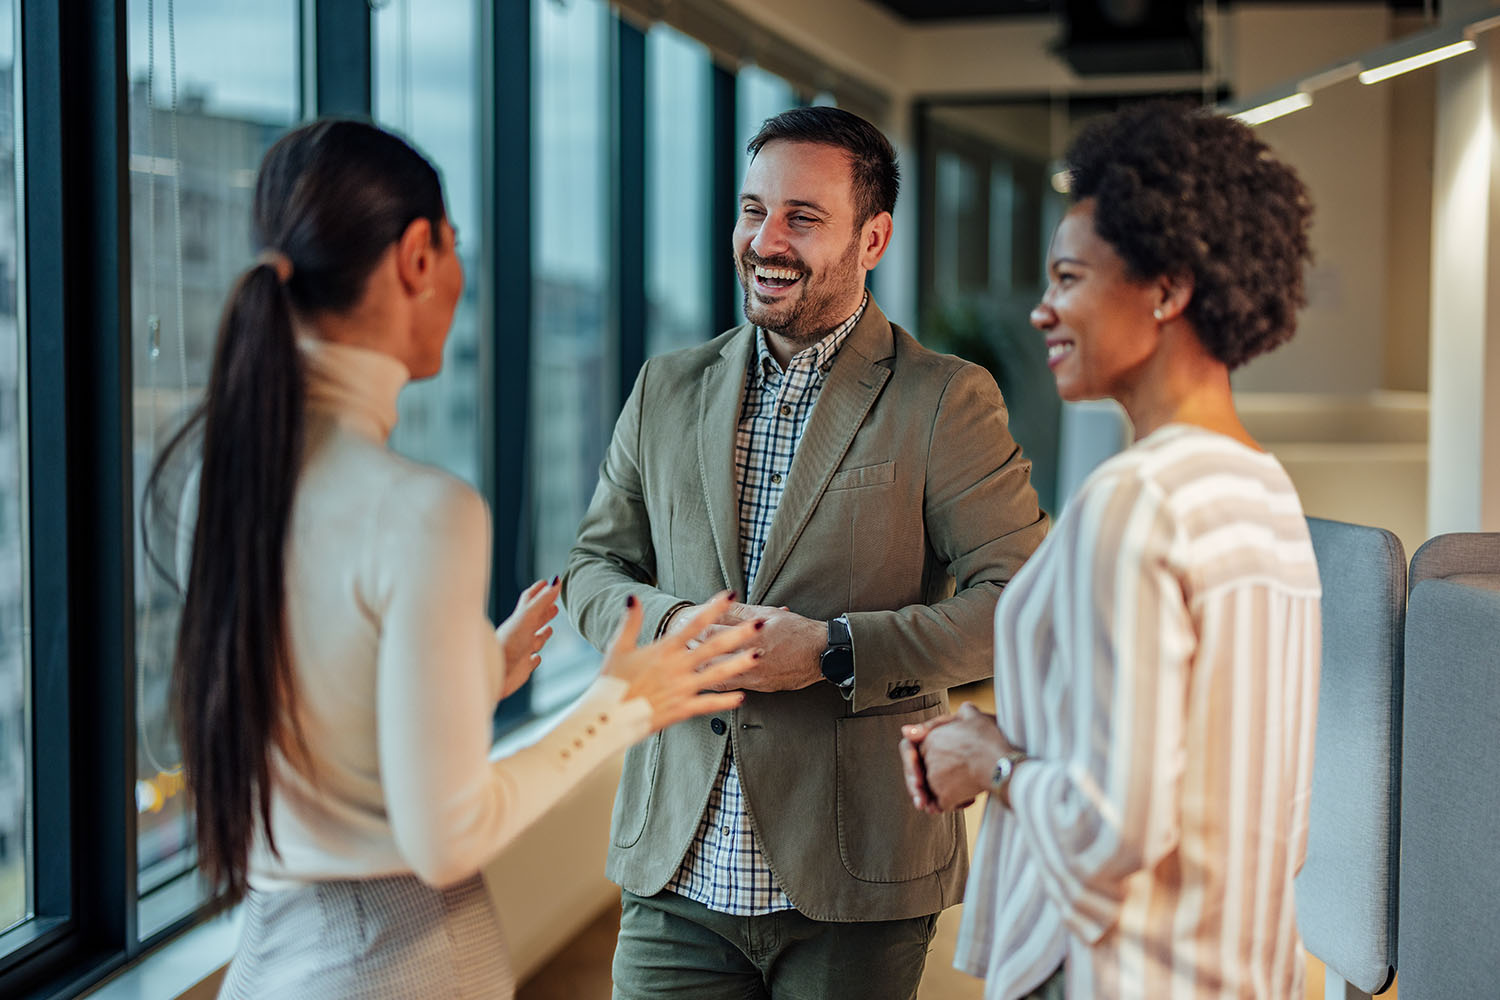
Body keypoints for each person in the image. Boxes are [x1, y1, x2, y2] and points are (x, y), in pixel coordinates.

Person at [145, 118, 763, 1000]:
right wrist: (624, 704)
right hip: (397, 965)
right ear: (417, 257)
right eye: (457, 247)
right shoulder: (425, 511)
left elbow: (323, 706)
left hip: (272, 962)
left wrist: (478, 671)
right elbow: (447, 835)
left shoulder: (217, 481)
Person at [562, 106, 1048, 999]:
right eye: (753, 210)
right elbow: (592, 569)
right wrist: (676, 626)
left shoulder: (944, 399)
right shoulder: (665, 387)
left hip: (855, 881)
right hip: (675, 872)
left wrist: (833, 650)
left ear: (874, 238)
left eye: (801, 217)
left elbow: (1021, 603)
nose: (765, 240)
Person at [900, 101, 1321, 1000]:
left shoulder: (1138, 500)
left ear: (1167, 290)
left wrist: (988, 762)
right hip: (1242, 967)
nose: (1041, 309)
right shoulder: (1262, 490)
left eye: (1068, 278)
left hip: (1124, 974)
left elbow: (1115, 826)